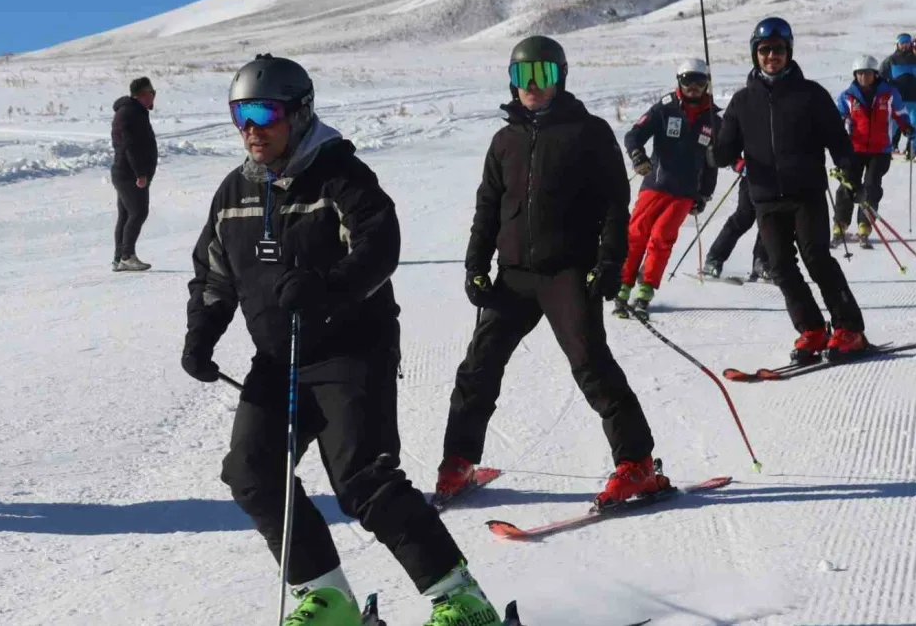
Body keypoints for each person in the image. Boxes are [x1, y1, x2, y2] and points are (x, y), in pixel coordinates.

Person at [182, 54, 501, 626]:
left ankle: (460, 598)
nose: (251, 129)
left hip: (352, 349)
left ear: (300, 113)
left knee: (363, 481)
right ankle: (326, 596)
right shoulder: (234, 192)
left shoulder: (340, 177)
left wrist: (327, 289)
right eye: (239, 115)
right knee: (252, 473)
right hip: (278, 359)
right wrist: (201, 334)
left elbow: (379, 247)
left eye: (263, 112)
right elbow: (214, 273)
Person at [436, 36, 669, 510]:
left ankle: (637, 465)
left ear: (561, 77)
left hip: (569, 272)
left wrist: (610, 264)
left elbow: (612, 206)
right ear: (512, 80)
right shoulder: (504, 141)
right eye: (524, 76)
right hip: (514, 274)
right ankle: (458, 461)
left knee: (590, 364)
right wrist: (475, 264)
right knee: (479, 367)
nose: (533, 86)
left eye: (543, 75)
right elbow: (488, 208)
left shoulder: (589, 132)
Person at [711, 17, 870, 362]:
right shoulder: (741, 102)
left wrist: (848, 169)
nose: (772, 56)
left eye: (778, 50)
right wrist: (715, 147)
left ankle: (849, 329)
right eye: (765, 50)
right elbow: (725, 150)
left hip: (805, 193)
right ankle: (812, 330)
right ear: (755, 53)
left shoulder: (811, 95)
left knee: (816, 258)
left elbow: (838, 140)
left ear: (789, 52)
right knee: (780, 267)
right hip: (765, 197)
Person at [617, 58, 721, 313]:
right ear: (679, 82)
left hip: (684, 191)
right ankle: (623, 284)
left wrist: (704, 194)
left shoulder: (714, 120)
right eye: (688, 81)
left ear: (707, 84)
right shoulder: (665, 108)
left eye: (699, 81)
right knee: (637, 233)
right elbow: (633, 135)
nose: (693, 87)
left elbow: (712, 162)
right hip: (656, 183)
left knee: (662, 237)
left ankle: (646, 288)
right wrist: (637, 156)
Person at [833, 55, 914, 249]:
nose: (863, 77)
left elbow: (901, 113)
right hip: (854, 150)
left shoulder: (889, 93)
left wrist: (907, 128)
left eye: (867, 73)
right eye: (859, 74)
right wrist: (836, 131)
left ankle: (864, 225)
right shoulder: (847, 96)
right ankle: (840, 224)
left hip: (880, 150)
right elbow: (837, 117)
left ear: (874, 74)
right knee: (847, 186)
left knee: (871, 187)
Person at [110, 76, 158, 271]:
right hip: (129, 173)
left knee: (126, 214)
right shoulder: (131, 113)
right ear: (143, 94)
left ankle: (119, 258)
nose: (154, 97)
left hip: (124, 171)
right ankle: (127, 256)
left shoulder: (133, 111)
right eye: (152, 93)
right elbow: (130, 146)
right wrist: (140, 173)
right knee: (138, 212)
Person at [702, 167, 772, 283]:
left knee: (768, 221)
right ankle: (714, 259)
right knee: (743, 218)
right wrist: (737, 163)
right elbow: (730, 150)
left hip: (776, 181)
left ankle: (761, 262)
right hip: (752, 178)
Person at [880, 33, 916, 161]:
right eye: (902, 43)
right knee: (892, 127)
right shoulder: (891, 60)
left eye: (906, 43)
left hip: (911, 99)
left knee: (915, 124)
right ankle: (885, 150)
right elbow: (881, 77)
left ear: (910, 44)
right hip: (896, 101)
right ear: (897, 45)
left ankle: (913, 150)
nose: (904, 46)